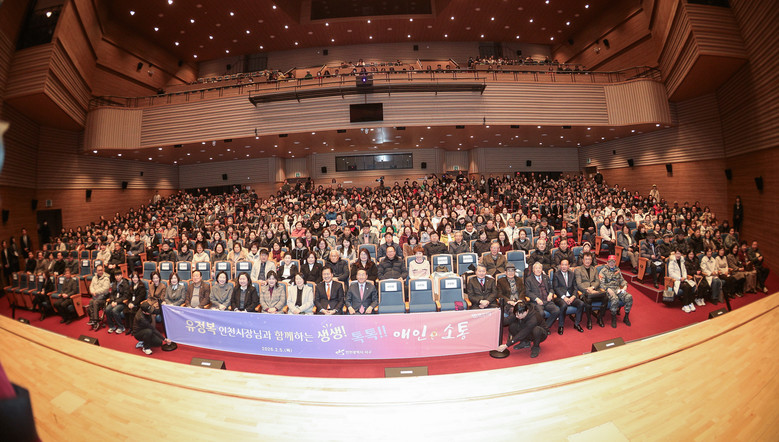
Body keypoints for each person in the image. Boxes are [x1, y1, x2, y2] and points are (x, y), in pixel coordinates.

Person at [598, 255, 633, 328]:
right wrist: (607, 289)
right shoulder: (603, 271)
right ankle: (613, 318)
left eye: (613, 262)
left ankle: (626, 317)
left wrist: (625, 286)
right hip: (608, 290)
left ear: (615, 262)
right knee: (615, 299)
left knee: (629, 297)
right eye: (610, 262)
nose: (611, 263)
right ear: (607, 262)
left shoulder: (617, 270)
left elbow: (622, 280)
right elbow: (601, 284)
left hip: (617, 289)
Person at [574, 252, 607, 329]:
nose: (588, 261)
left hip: (594, 291)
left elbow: (597, 281)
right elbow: (579, 284)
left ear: (591, 260)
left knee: (606, 298)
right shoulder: (578, 270)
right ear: (583, 260)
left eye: (589, 259)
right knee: (588, 300)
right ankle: (589, 320)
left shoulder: (594, 269)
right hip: (584, 293)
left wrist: (592, 288)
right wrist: (588, 290)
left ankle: (599, 317)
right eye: (586, 259)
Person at [552, 259, 585, 333]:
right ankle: (561, 325)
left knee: (581, 303)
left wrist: (573, 296)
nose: (564, 266)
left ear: (568, 266)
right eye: (562, 265)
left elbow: (575, 287)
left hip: (571, 296)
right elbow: (556, 288)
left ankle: (577, 323)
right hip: (560, 297)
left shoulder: (572, 274)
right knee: (563, 305)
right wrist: (564, 297)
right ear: (560, 266)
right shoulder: (556, 274)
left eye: (565, 265)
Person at [524, 262, 559, 329]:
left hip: (547, 301)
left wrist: (550, 294)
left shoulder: (546, 277)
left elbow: (551, 288)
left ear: (542, 269)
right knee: (541, 313)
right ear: (533, 270)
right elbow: (527, 292)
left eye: (539, 268)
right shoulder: (528, 279)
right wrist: (536, 299)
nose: (538, 270)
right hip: (536, 302)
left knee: (556, 311)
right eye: (536, 268)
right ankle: (542, 328)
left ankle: (545, 327)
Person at [86, 264, 111, 331]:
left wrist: (96, 292)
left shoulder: (106, 278)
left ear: (103, 270)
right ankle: (92, 319)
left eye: (101, 270)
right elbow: (91, 286)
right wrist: (92, 292)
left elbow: (105, 289)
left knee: (95, 302)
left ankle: (96, 321)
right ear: (96, 271)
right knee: (91, 301)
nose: (100, 272)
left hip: (103, 298)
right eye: (99, 270)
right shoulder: (94, 278)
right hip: (95, 296)